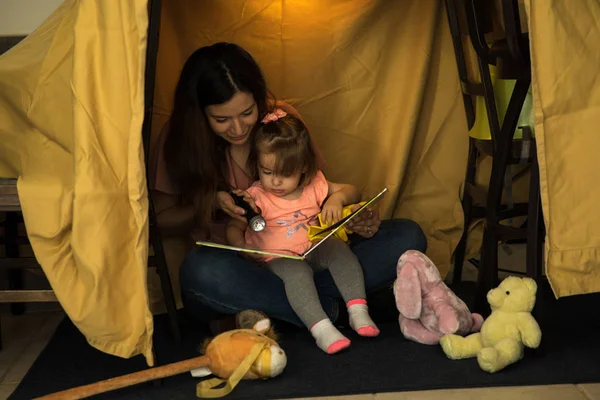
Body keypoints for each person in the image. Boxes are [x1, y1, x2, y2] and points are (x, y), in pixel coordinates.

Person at [149, 42, 427, 334]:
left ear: (258, 100)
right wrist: (210, 204)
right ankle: (331, 309)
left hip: (306, 254)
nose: (238, 128)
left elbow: (313, 195)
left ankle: (293, 309)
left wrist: (352, 218)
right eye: (221, 120)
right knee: (200, 271)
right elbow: (161, 221)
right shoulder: (179, 140)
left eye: (247, 113)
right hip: (240, 268)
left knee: (407, 235)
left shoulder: (279, 121)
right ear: (200, 116)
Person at [227, 109, 379, 354]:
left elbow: (353, 190)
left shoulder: (314, 184)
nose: (275, 182)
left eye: (285, 174)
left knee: (340, 251)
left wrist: (337, 199)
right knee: (297, 273)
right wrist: (243, 247)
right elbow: (233, 226)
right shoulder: (256, 197)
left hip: (313, 248)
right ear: (258, 166)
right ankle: (321, 329)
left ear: (303, 169)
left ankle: (357, 311)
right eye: (267, 172)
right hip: (279, 259)